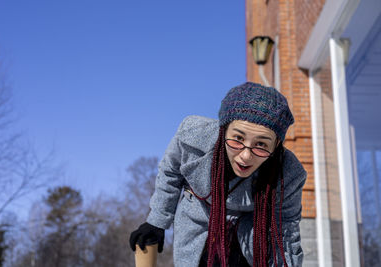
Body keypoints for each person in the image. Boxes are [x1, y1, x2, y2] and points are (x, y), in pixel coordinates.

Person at [129, 82, 307, 267]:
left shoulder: (289, 173)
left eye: (261, 145)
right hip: (199, 223)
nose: (245, 156)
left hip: (251, 233)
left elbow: (286, 227)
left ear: (276, 144)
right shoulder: (192, 137)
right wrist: (157, 221)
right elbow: (171, 173)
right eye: (238, 138)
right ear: (223, 130)